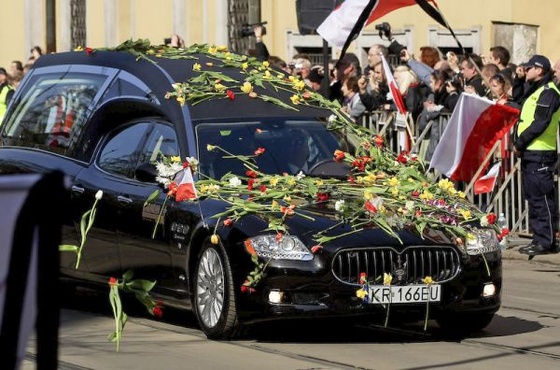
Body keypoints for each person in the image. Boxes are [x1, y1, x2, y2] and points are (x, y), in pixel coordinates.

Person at [514, 55, 560, 257]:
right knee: (534, 197)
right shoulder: (536, 89)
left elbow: (540, 123)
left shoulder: (549, 92)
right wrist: (518, 79)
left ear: (540, 70)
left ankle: (545, 241)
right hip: (532, 152)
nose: (526, 70)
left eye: (529, 67)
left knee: (541, 198)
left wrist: (519, 142)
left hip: (540, 152)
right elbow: (517, 99)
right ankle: (540, 238)